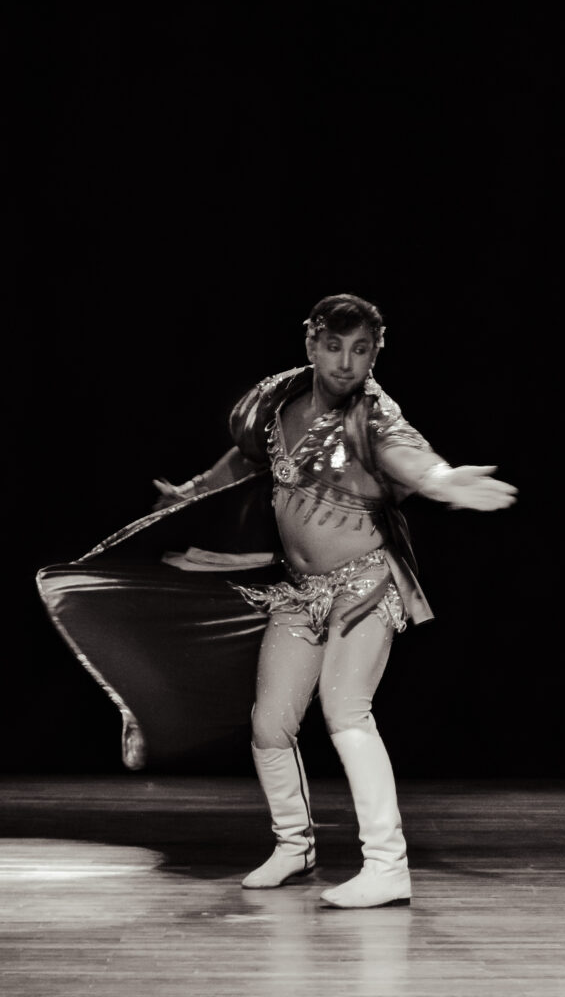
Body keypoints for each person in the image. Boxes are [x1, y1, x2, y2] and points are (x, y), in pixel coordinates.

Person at [152, 293, 517, 909]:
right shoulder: (278, 403)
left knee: (346, 711)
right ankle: (293, 846)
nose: (346, 363)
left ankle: (387, 865)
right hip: (301, 591)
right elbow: (246, 456)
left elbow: (406, 455)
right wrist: (193, 490)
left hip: (364, 584)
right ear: (311, 344)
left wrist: (441, 480)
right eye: (334, 347)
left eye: (361, 350)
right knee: (270, 723)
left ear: (376, 353)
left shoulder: (373, 416)